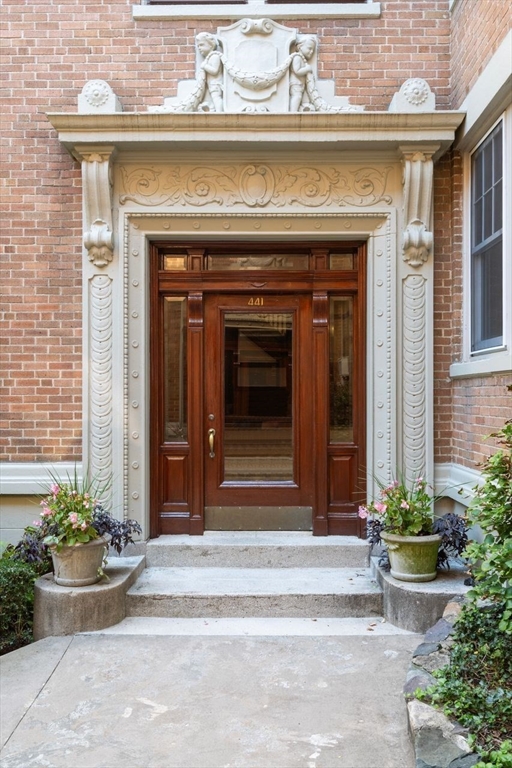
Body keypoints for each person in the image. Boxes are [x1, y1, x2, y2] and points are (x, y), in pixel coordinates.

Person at [196, 32, 224, 113]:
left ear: (210, 45)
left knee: (216, 98)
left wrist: (205, 66)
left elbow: (214, 71)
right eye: (198, 46)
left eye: (201, 45)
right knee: (213, 98)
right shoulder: (209, 58)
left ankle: (219, 112)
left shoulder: (215, 56)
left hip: (216, 84)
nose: (199, 48)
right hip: (211, 84)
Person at [289, 36, 316, 112]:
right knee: (297, 96)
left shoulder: (302, 58)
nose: (311, 52)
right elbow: (297, 71)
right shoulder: (297, 57)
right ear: (300, 47)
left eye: (313, 50)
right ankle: (293, 112)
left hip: (300, 84)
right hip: (296, 83)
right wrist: (307, 69)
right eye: (309, 48)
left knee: (300, 97)